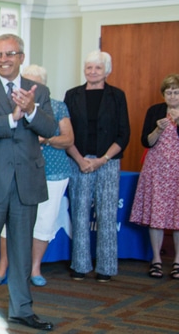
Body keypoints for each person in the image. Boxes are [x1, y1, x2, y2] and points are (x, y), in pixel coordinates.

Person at [0, 33, 57, 331]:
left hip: (25, 182)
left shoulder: (38, 91)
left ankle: (21, 309)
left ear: (21, 57)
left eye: (10, 54)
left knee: (21, 250)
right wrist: (12, 118)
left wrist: (30, 110)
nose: (4, 59)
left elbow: (51, 128)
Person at [0, 65, 74, 288]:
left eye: (34, 83)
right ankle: (3, 267)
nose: (27, 88)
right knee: (8, 224)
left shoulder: (57, 106)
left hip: (53, 173)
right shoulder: (8, 106)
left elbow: (68, 140)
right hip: (19, 171)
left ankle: (35, 268)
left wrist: (46, 140)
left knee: (44, 223)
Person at [64, 50, 130, 283]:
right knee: (80, 213)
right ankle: (80, 265)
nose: (93, 72)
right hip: (78, 160)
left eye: (98, 68)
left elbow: (124, 134)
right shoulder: (72, 95)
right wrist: (81, 160)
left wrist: (101, 160)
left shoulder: (117, 96)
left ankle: (106, 267)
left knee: (106, 214)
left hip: (108, 162)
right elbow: (65, 132)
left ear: (107, 71)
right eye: (89, 67)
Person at [129, 73, 179, 279]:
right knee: (156, 216)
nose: (172, 96)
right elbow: (146, 142)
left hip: (177, 171)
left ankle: (177, 261)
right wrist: (158, 129)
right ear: (163, 94)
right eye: (169, 92)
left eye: (176, 92)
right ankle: (156, 259)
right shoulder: (155, 111)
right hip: (156, 170)